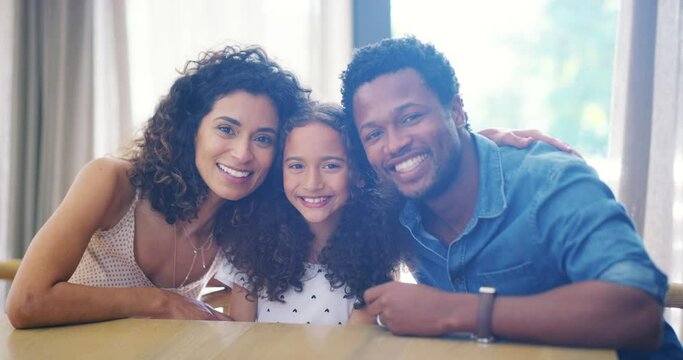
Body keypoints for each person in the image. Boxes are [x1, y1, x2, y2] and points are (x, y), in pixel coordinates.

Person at [339, 37, 683, 359]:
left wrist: (449, 311)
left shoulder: (550, 183)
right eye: (374, 134)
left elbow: (639, 311)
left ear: (457, 111)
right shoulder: (394, 203)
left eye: (411, 117)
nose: (395, 143)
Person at [6, 45, 309, 329]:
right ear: (191, 130)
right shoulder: (112, 181)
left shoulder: (240, 225)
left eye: (263, 139)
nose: (243, 153)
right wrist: (159, 302)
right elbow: (26, 302)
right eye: (226, 129)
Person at [216, 103, 403, 325]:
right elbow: (239, 339)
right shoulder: (252, 249)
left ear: (359, 175)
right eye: (296, 166)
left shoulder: (377, 250)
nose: (312, 183)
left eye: (331, 165)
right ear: (280, 173)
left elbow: (355, 348)